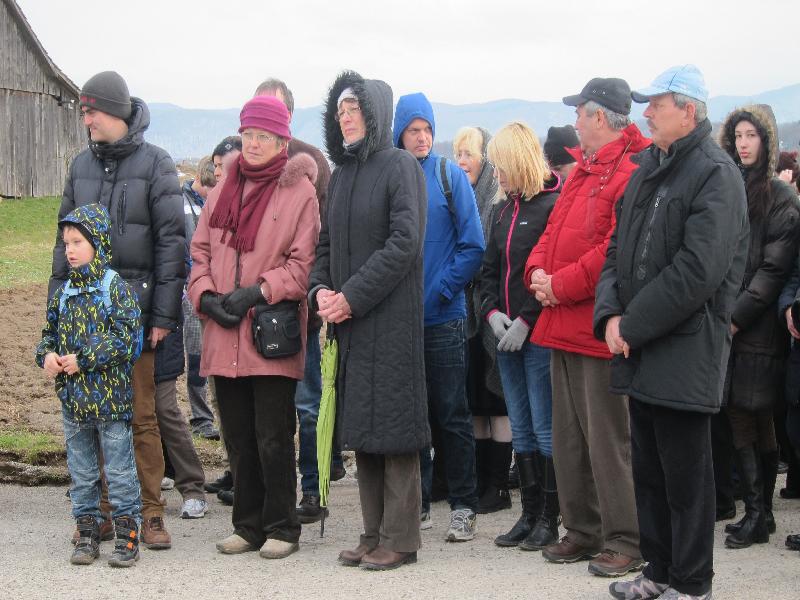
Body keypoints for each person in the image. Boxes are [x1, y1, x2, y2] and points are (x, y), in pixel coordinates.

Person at [594, 65, 749, 600]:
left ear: (688, 110)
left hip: (686, 348)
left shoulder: (715, 174)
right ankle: (659, 571)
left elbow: (697, 272)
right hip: (640, 347)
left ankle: (691, 582)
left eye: (656, 104)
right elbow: (617, 250)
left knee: (686, 478)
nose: (646, 113)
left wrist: (631, 325)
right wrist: (609, 316)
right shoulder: (648, 170)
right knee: (650, 472)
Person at [50, 71, 185, 550]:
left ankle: (150, 513)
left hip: (137, 318)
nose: (85, 120)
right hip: (84, 321)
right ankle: (104, 513)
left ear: (113, 111)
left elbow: (172, 244)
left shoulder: (157, 164)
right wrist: (56, 312)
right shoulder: (80, 166)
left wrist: (163, 316)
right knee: (92, 418)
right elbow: (63, 243)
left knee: (142, 418)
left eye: (90, 111)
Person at [527, 77, 649, 577]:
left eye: (580, 112)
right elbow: (551, 231)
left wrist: (559, 285)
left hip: (597, 328)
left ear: (600, 116)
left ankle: (625, 538)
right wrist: (537, 271)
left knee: (608, 439)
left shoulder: (631, 171)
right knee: (570, 437)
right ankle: (581, 529)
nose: (575, 121)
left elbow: (613, 252)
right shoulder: (584, 169)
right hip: (561, 323)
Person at [188, 95, 319, 559]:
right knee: (239, 436)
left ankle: (282, 526)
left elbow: (302, 266)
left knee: (273, 436)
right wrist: (205, 294)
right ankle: (247, 525)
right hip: (224, 329)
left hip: (269, 331)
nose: (254, 143)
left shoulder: (299, 192)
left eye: (264, 136)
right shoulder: (224, 186)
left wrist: (257, 292)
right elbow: (200, 251)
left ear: (283, 140)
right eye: (248, 135)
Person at [309, 70, 429, 570]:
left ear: (374, 112)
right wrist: (320, 290)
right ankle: (372, 532)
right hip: (351, 324)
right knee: (363, 427)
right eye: (339, 111)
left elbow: (404, 242)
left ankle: (400, 539)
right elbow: (325, 245)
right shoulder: (341, 175)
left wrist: (352, 297)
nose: (345, 118)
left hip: (391, 320)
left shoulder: (401, 166)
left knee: (395, 429)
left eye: (353, 108)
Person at [393, 93, 485, 541]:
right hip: (401, 323)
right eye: (414, 130)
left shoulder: (449, 176)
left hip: (444, 320)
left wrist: (443, 289)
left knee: (452, 414)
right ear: (399, 134)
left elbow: (474, 245)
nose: (423, 137)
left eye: (427, 129)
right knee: (414, 418)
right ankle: (420, 502)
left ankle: (464, 505)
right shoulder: (392, 178)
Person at [253, 77, 344, 525]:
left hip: (299, 312)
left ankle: (313, 487)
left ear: (288, 115)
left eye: (275, 110)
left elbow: (320, 238)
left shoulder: (311, 162)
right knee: (266, 413)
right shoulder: (247, 165)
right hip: (255, 311)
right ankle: (269, 492)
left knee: (308, 407)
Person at [37, 204, 143, 568]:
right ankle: (87, 531)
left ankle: (127, 533)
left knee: (119, 471)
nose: (69, 250)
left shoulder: (116, 288)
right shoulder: (63, 293)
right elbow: (48, 335)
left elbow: (126, 339)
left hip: (111, 402)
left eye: (77, 242)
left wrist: (84, 357)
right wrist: (47, 356)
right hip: (73, 402)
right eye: (66, 243)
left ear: (97, 244)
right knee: (82, 473)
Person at [716, 104, 800, 548]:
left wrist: (734, 318)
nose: (744, 143)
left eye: (751, 135)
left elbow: (773, 269)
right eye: (738, 136)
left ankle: (757, 512)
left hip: (759, 323)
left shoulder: (781, 197)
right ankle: (759, 513)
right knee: (746, 413)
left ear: (766, 141)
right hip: (735, 317)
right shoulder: (732, 187)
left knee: (749, 412)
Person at [478, 122, 561, 552]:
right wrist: (492, 314)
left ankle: (550, 517)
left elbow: (551, 271)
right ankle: (529, 514)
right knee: (522, 426)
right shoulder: (503, 210)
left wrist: (527, 320)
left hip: (539, 335)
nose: (497, 174)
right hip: (505, 336)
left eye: (501, 166)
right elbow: (489, 271)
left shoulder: (552, 205)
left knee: (544, 427)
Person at [453, 126, 513, 514]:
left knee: (497, 403)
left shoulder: (495, 200)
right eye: (458, 154)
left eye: (469, 154)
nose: (462, 162)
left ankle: (499, 485)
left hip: (492, 311)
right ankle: (479, 484)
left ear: (485, 160)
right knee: (474, 401)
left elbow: (490, 256)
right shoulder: (460, 197)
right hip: (465, 316)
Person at [204, 136, 244, 504]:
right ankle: (236, 472)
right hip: (218, 321)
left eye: (224, 166)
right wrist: (205, 297)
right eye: (216, 166)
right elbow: (199, 255)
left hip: (253, 324)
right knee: (225, 407)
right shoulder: (212, 203)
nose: (218, 172)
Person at [181, 156, 219, 440]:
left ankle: (213, 415)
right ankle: (201, 418)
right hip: (190, 290)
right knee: (195, 355)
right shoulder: (181, 205)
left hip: (215, 289)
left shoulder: (215, 202)